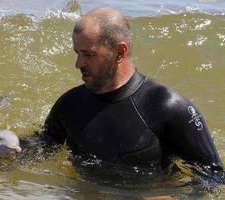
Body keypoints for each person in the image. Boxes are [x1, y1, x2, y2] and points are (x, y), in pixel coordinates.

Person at [21, 7, 223, 182]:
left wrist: (176, 197)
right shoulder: (70, 104)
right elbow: (41, 147)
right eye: (77, 53)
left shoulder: (168, 107)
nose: (78, 64)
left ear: (119, 52)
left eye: (88, 55)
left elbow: (213, 176)